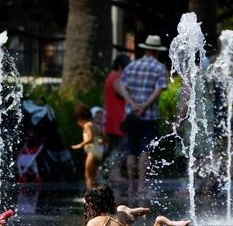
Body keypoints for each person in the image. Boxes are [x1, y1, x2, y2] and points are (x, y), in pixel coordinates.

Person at [114, 35, 169, 195]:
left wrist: (132, 104)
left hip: (132, 116)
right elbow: (158, 90)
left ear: (146, 49)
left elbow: (121, 86)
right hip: (149, 115)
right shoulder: (159, 68)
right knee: (145, 149)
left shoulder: (132, 66)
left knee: (131, 149)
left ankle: (131, 186)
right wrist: (144, 106)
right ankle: (142, 186)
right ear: (157, 51)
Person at [104, 54, 131, 182]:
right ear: (120, 66)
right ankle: (115, 174)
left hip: (114, 117)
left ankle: (114, 173)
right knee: (120, 148)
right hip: (116, 118)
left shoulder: (112, 76)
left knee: (117, 147)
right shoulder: (115, 77)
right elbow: (123, 93)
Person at [71, 104, 104, 188]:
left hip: (92, 153)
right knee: (95, 176)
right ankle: (97, 196)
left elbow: (90, 138)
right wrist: (101, 142)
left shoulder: (87, 125)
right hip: (99, 153)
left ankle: (90, 198)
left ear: (80, 119)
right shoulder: (95, 126)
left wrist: (80, 145)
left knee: (88, 176)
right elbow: (105, 138)